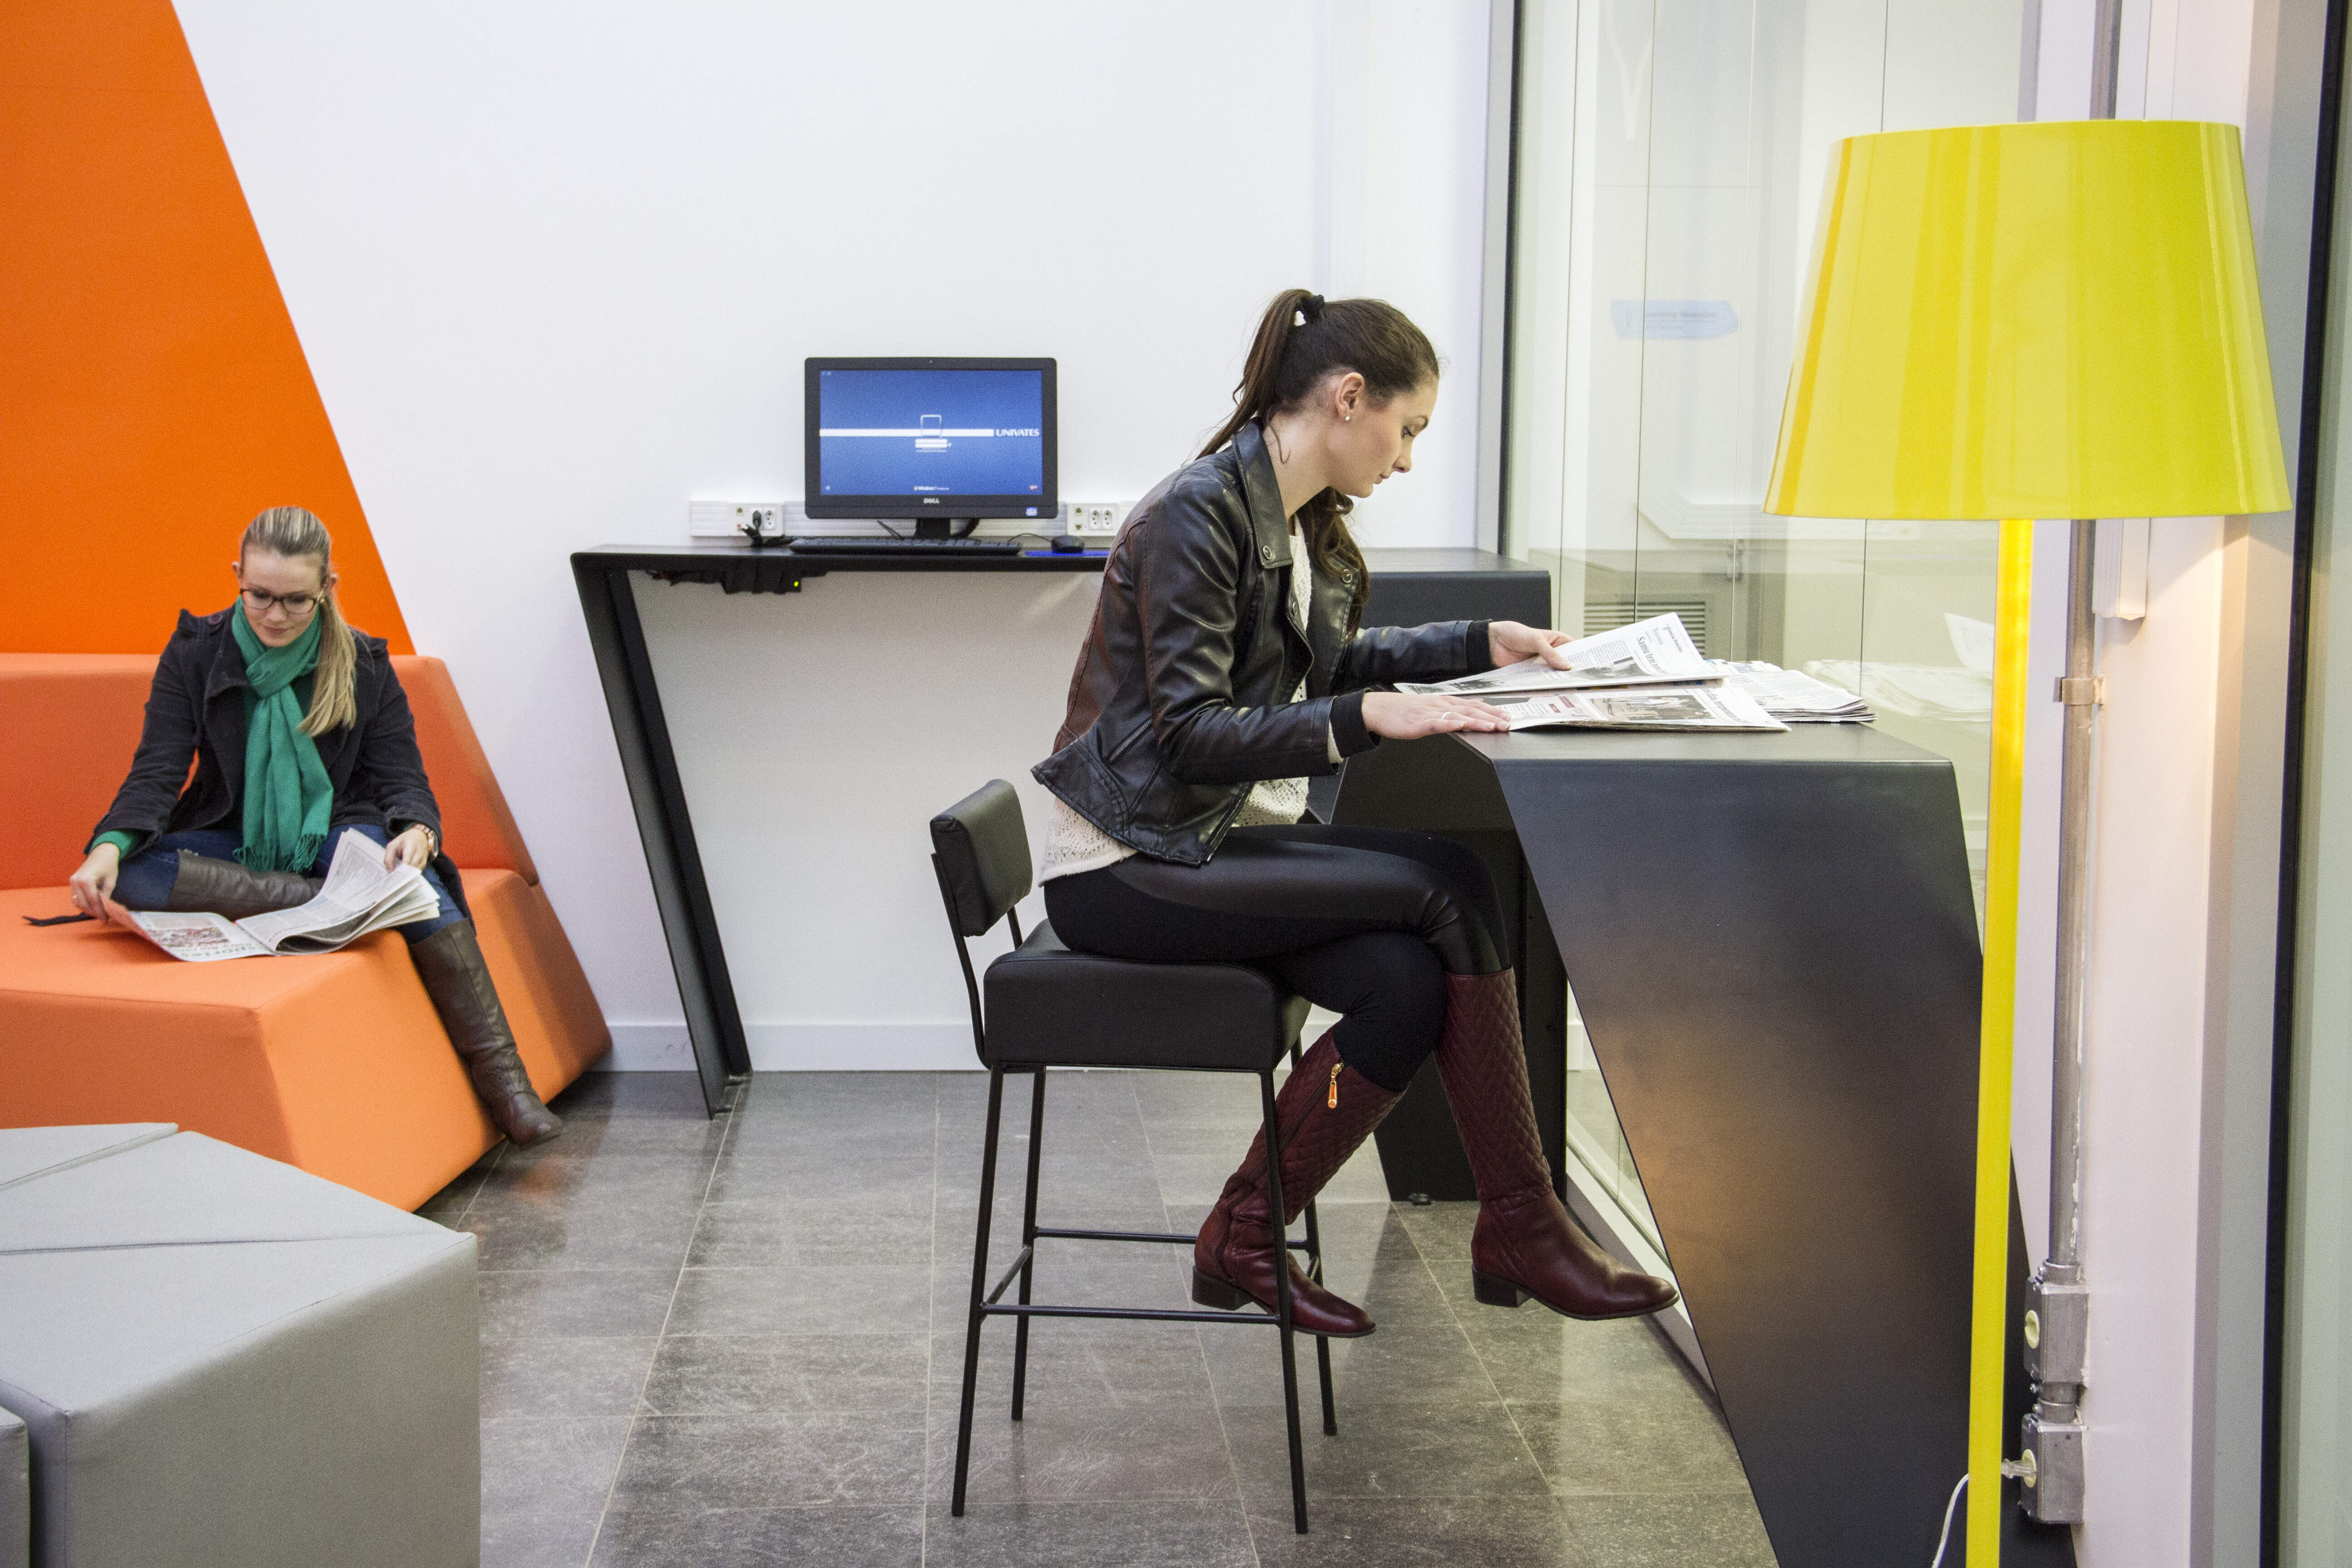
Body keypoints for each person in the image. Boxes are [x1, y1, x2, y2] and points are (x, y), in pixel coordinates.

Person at [1033, 290, 1675, 1337]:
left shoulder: (1289, 516)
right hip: (1129, 863)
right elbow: (1192, 730)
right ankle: (1522, 1219)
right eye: (1408, 428)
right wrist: (1362, 717)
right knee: (1451, 881)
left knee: (1404, 985)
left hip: (1207, 838)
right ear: (1346, 398)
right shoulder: (1200, 512)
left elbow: (1333, 665)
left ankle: (1244, 1229)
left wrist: (1479, 642)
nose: (1409, 459)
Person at [64, 505, 563, 1148]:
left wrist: (417, 830)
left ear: (328, 586)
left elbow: (401, 777)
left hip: (333, 832)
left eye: (296, 601)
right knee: (129, 870)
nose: (275, 615)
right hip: (231, 837)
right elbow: (158, 771)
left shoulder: (362, 663)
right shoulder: (196, 652)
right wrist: (109, 846)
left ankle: (510, 1092)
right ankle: (321, 904)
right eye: (260, 596)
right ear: (237, 576)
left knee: (420, 888)